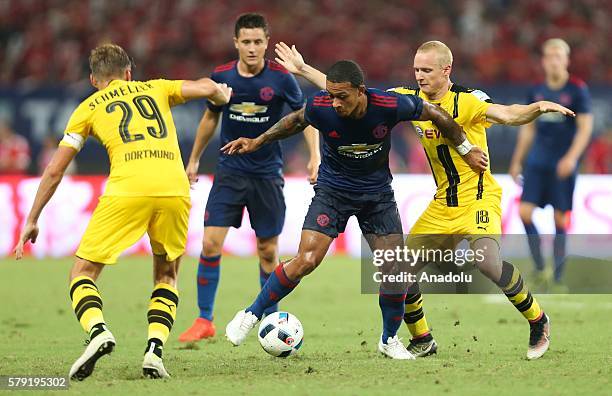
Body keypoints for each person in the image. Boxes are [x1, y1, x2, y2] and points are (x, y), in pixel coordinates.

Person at [273, 40, 574, 359]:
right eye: (416, 69)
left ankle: (538, 320)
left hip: (478, 197)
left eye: (427, 70)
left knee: (487, 261)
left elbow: (507, 114)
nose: (419, 75)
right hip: (443, 204)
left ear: (446, 70)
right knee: (400, 271)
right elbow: (349, 93)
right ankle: (423, 338)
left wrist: (535, 109)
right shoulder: (407, 99)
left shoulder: (468, 101)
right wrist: (304, 69)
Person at [222, 59, 489, 360]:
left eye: (342, 97)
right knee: (307, 259)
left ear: (361, 91)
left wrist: (466, 150)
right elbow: (295, 121)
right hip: (333, 192)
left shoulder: (388, 104)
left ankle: (389, 340)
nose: (335, 103)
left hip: (377, 197)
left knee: (395, 270)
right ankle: (250, 314)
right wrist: (258, 141)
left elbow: (435, 112)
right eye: (331, 96)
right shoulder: (321, 105)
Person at [13, 43, 232, 380]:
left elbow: (55, 170)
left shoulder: (86, 108)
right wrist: (220, 94)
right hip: (174, 188)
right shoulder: (156, 87)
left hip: (128, 188)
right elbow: (205, 86)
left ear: (93, 79)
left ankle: (98, 330)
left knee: (82, 272)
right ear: (129, 73)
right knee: (167, 274)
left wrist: (32, 219)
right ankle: (154, 353)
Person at [178, 13, 320, 343]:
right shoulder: (222, 77)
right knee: (210, 243)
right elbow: (209, 119)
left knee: (268, 252)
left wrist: (315, 156)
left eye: (258, 42)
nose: (253, 48)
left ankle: (269, 318)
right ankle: (204, 320)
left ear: (266, 43)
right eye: (247, 42)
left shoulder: (282, 79)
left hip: (267, 174)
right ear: (236, 43)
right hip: (229, 172)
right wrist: (195, 158)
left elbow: (306, 118)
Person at [510, 38, 593, 291]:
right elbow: (528, 130)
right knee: (524, 212)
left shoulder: (578, 90)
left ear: (566, 60)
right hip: (537, 162)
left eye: (559, 56)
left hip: (562, 164)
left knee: (560, 218)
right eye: (550, 56)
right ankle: (538, 268)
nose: (554, 60)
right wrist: (517, 161)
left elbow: (585, 128)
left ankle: (557, 278)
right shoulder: (536, 91)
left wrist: (571, 158)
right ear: (544, 61)